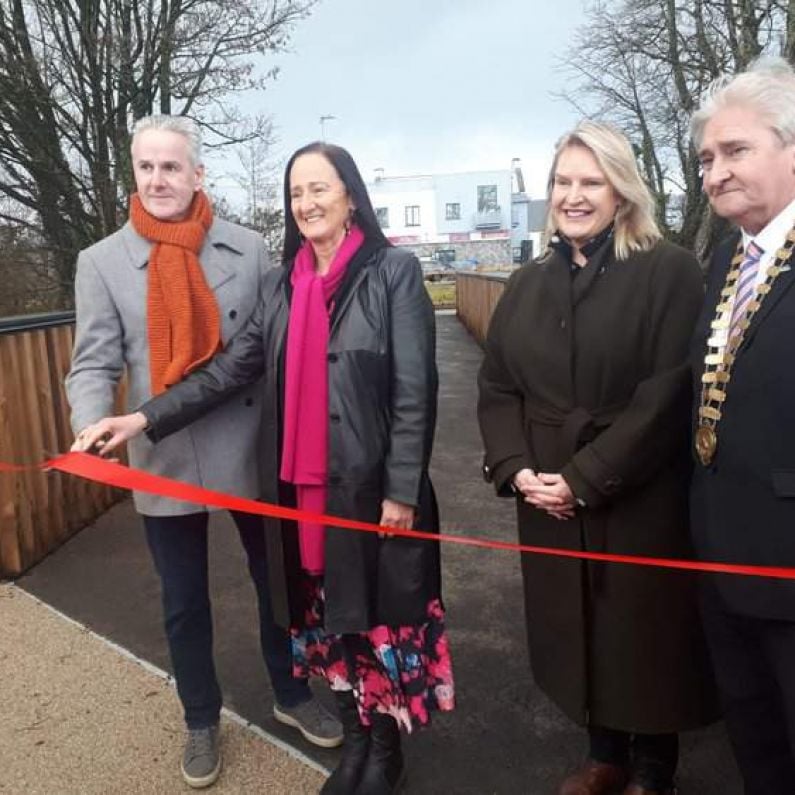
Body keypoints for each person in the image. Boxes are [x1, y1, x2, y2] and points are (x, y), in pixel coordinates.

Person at [75, 141, 455, 795]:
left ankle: (383, 754)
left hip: (369, 490)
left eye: (319, 188)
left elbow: (415, 390)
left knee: (375, 620)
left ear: (349, 193)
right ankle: (356, 744)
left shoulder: (392, 271)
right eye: (296, 193)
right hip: (302, 489)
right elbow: (230, 368)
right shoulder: (284, 283)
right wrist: (142, 419)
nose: (306, 203)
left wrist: (400, 491)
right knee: (329, 617)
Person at [65, 116, 341, 789]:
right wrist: (89, 421)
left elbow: (268, 352)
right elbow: (93, 362)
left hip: (251, 448)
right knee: (184, 601)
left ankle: (291, 690)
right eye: (147, 167)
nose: (159, 180)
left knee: (277, 581)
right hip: (161, 451)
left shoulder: (248, 249)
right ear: (135, 172)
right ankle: (199, 715)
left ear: (196, 175)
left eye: (172, 167)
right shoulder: (100, 261)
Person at [477, 121, 718, 795]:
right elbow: (496, 385)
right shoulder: (526, 284)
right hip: (544, 488)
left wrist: (583, 478)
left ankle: (651, 765)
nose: (573, 195)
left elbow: (667, 393)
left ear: (621, 191)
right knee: (576, 625)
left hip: (636, 488)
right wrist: (514, 466)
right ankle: (601, 752)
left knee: (641, 631)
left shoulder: (666, 269)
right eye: (562, 180)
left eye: (591, 181)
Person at [690, 57, 795, 793]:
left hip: (789, 567)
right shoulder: (729, 255)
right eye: (705, 158)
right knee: (754, 743)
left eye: (735, 150)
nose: (715, 173)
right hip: (722, 561)